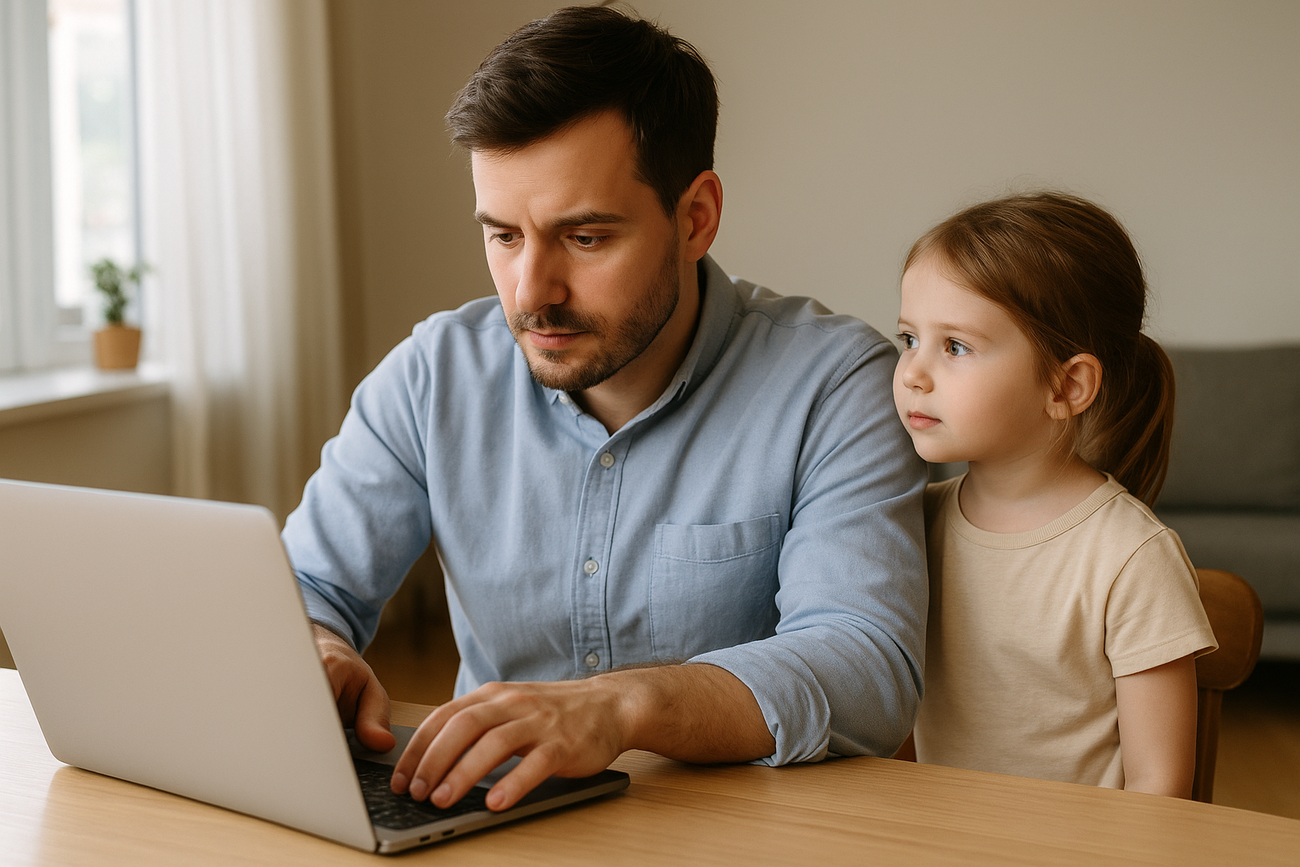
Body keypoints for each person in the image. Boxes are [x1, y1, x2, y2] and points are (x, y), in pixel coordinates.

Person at [282, 5, 927, 813]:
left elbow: (869, 665)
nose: (531, 294)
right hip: (485, 821)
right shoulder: (433, 375)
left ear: (695, 217)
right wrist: (312, 646)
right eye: (505, 236)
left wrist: (622, 705)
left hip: (745, 835)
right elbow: (302, 585)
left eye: (584, 238)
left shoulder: (833, 384)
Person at [892, 191, 1217, 797]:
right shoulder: (913, 522)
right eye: (909, 338)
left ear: (1067, 385)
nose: (912, 371)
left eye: (955, 346)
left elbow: (1160, 789)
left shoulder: (1131, 557)